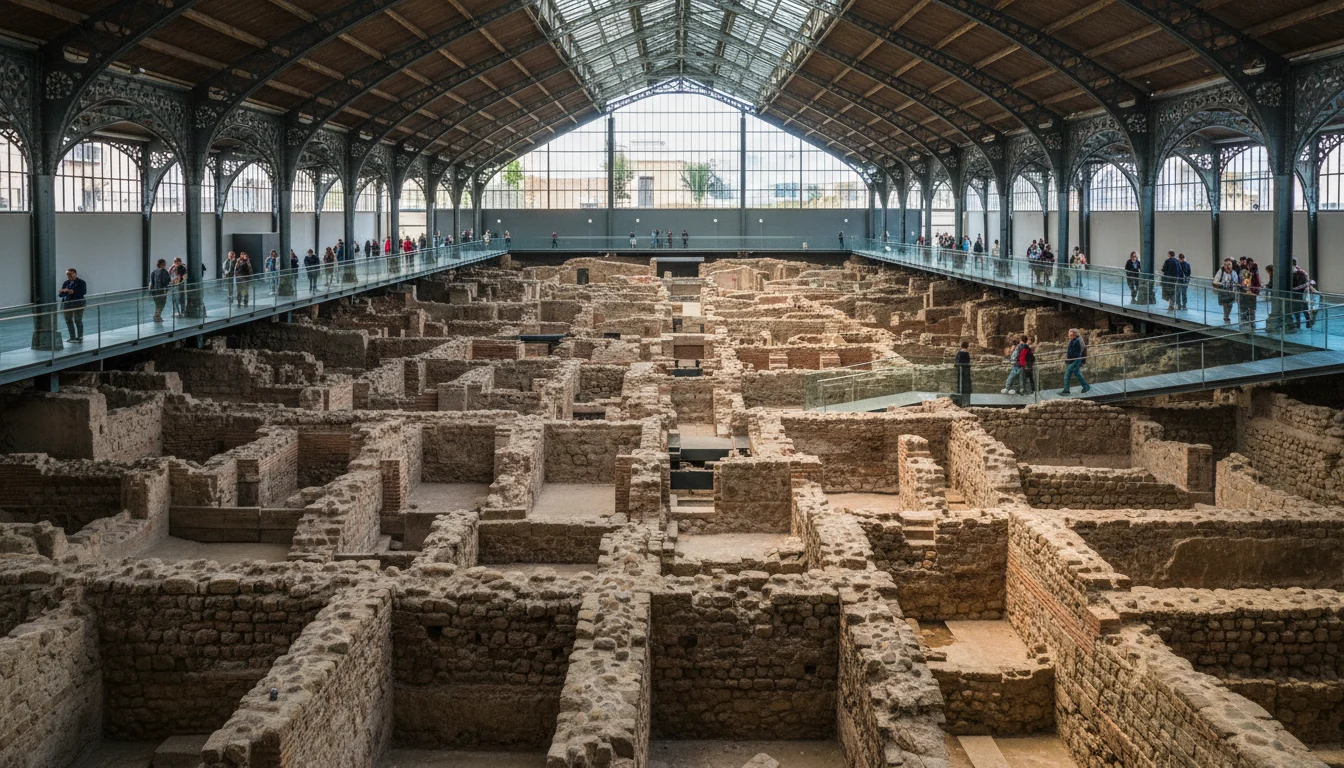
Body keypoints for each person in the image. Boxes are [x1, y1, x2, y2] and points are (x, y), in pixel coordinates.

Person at [59, 267, 87, 342]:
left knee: (78, 320)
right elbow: (61, 295)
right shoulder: (66, 283)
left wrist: (71, 291)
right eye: (67, 275)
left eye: (70, 274)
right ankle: (72, 337)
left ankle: (80, 337)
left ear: (75, 274)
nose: (69, 276)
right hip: (67, 304)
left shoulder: (81, 282)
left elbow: (82, 292)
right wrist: (62, 292)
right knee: (68, 320)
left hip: (78, 304)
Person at [1059, 328, 1090, 396]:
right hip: (1074, 360)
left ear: (1074, 335)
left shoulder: (1076, 341)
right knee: (1077, 373)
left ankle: (1066, 391)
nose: (1069, 336)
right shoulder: (1074, 340)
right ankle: (1086, 386)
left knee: (1067, 376)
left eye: (1070, 334)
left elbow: (1074, 353)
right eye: (1069, 334)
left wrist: (1067, 358)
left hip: (1074, 360)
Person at [1213, 258, 1239, 323]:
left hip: (1231, 292)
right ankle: (1226, 316)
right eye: (1225, 265)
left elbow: (1236, 282)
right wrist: (1218, 283)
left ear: (1232, 265)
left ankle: (1227, 315)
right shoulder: (1221, 271)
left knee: (1230, 305)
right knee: (1225, 305)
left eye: (1229, 264)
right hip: (1223, 292)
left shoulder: (1234, 273)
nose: (1227, 266)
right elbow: (1215, 280)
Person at [1290, 260, 1311, 330]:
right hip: (1296, 294)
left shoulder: (1301, 273)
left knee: (1304, 308)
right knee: (1295, 309)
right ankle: (1298, 323)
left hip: (1301, 294)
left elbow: (1303, 284)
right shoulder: (1295, 272)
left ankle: (1308, 322)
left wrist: (1295, 288)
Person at [954, 340, 972, 406]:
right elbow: (968, 362)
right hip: (966, 371)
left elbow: (957, 361)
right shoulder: (967, 353)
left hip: (961, 370)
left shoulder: (960, 353)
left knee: (961, 382)